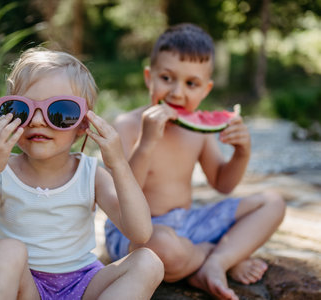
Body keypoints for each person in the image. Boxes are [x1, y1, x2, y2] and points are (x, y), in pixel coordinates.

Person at [0, 48, 163, 300]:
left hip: (84, 285)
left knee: (148, 262)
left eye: (60, 110)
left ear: (84, 124)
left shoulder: (90, 173)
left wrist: (119, 165)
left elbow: (140, 233)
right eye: (22, 110)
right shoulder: (1, 172)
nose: (37, 121)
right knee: (5, 250)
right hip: (26, 288)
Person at [104, 23, 286, 300]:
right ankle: (217, 254)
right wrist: (147, 143)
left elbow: (222, 184)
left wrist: (241, 153)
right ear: (148, 76)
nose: (177, 92)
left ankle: (215, 263)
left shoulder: (198, 133)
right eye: (167, 78)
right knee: (160, 246)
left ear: (206, 90)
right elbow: (121, 196)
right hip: (138, 232)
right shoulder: (127, 125)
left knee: (273, 202)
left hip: (189, 222)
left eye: (191, 84)